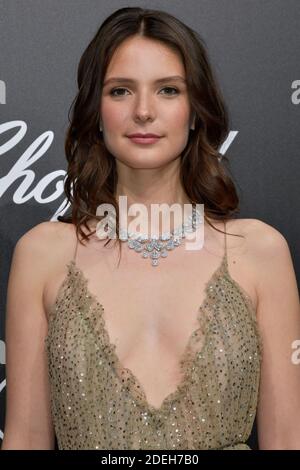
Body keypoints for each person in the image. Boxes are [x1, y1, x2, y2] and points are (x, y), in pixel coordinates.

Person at [2, 7, 300, 450]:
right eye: (121, 90)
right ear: (96, 111)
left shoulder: (259, 251)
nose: (143, 111)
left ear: (196, 110)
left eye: (168, 90)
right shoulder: (42, 255)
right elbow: (25, 439)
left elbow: (287, 440)